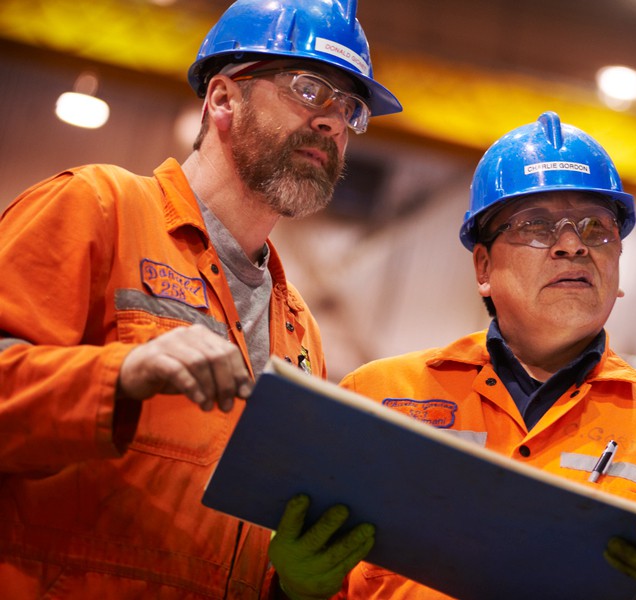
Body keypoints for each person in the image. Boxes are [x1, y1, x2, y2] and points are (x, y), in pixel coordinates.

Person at [0, 0, 400, 597]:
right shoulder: (96, 208)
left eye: (349, 108)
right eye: (310, 88)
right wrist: (121, 373)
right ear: (221, 99)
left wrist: (288, 584)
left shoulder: (298, 330)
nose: (333, 122)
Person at [312, 111, 636, 599]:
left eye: (596, 227)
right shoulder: (375, 398)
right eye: (537, 226)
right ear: (483, 266)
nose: (572, 246)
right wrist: (296, 590)